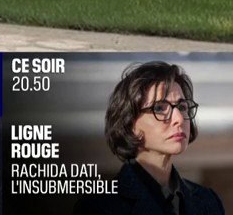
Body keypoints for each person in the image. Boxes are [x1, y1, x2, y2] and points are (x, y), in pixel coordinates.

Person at [77, 61, 225, 215]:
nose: (179, 119)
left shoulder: (208, 201)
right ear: (130, 123)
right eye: (160, 108)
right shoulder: (100, 207)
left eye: (182, 107)